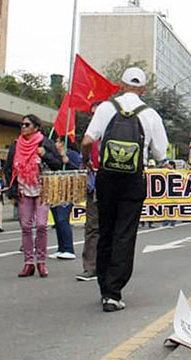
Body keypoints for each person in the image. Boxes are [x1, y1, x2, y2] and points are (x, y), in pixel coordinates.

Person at [82, 67, 169, 312]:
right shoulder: (150, 114)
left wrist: (86, 158)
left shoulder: (106, 108)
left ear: (120, 85)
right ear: (143, 89)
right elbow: (161, 153)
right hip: (133, 179)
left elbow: (88, 141)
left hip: (106, 177)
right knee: (125, 233)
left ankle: (103, 286)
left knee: (105, 230)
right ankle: (114, 292)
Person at [4, 114, 62, 278]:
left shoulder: (45, 143)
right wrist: (12, 187)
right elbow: (8, 168)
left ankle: (41, 262)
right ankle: (28, 263)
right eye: (21, 124)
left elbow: (58, 164)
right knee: (26, 226)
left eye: (27, 124)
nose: (23, 127)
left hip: (42, 189)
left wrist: (45, 155)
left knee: (42, 225)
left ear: (36, 127)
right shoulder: (16, 145)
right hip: (24, 189)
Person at [77, 102, 103, 281]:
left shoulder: (113, 133)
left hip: (111, 184)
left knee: (111, 227)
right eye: (91, 115)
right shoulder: (89, 137)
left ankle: (109, 265)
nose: (93, 118)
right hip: (92, 185)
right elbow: (83, 156)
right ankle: (90, 266)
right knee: (92, 227)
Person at [51, 135, 82, 260]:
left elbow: (78, 168)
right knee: (57, 220)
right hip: (55, 189)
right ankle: (61, 248)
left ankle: (69, 248)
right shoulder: (54, 155)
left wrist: (67, 160)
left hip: (67, 190)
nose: (55, 143)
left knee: (63, 218)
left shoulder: (72, 154)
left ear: (63, 143)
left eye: (57, 141)